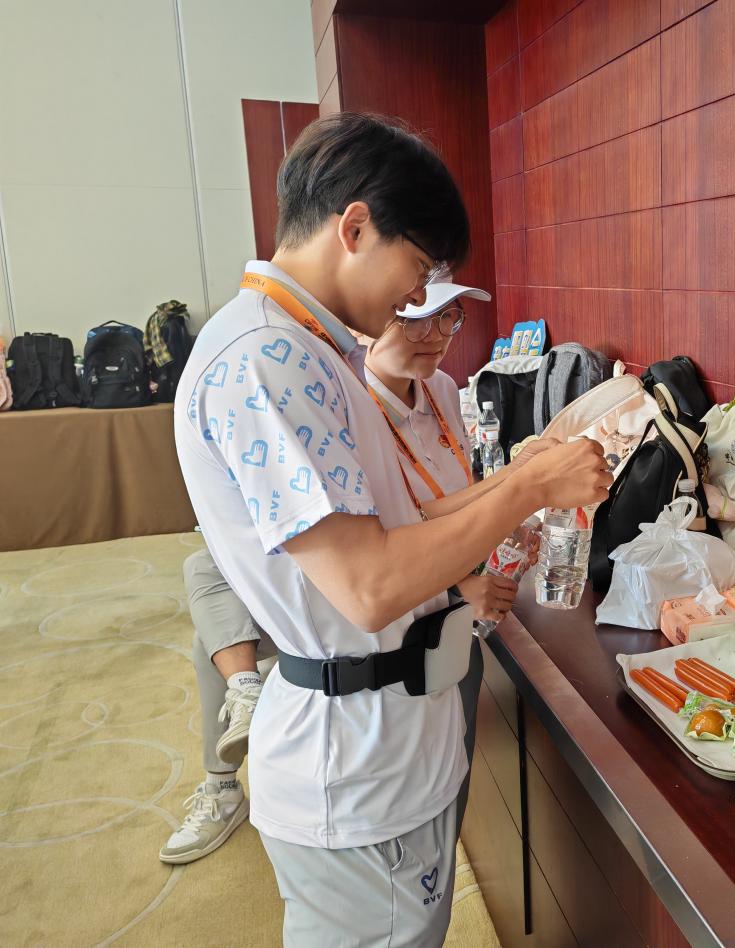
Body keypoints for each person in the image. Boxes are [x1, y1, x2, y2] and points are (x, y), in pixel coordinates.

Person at [173, 112, 610, 946]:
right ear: (355, 227)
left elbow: (405, 521)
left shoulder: (309, 349)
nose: (418, 300)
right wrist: (529, 487)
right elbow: (369, 585)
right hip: (355, 764)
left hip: (390, 742)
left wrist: (524, 474)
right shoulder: (267, 359)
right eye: (418, 268)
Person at [159, 277, 528, 865]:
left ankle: (243, 705)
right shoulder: (320, 389)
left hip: (433, 624)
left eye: (448, 317)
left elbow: (438, 510)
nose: (435, 335)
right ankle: (230, 746)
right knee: (208, 582)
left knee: (440, 789)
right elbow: (375, 560)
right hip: (359, 655)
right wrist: (516, 499)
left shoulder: (442, 390)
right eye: (414, 316)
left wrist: (511, 496)